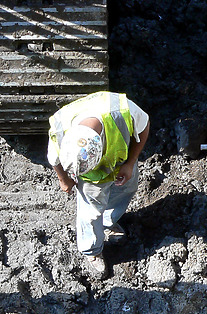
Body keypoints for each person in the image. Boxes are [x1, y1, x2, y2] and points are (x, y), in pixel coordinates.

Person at [47, 91, 150, 278]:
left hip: (121, 161)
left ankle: (108, 223)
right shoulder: (61, 129)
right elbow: (53, 158)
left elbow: (144, 126)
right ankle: (91, 250)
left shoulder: (122, 111)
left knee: (126, 190)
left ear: (100, 145)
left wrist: (130, 163)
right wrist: (64, 179)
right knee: (91, 212)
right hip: (92, 180)